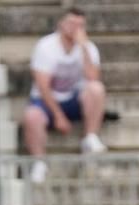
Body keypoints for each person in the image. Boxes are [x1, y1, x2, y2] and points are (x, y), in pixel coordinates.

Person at [24, 6, 108, 185]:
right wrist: (58, 116)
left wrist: (84, 48)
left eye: (80, 25)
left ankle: (90, 137)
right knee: (31, 116)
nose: (75, 28)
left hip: (73, 99)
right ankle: (39, 162)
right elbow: (43, 85)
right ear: (61, 24)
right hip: (46, 101)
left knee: (96, 89)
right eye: (71, 23)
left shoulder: (88, 47)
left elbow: (93, 77)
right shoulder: (46, 46)